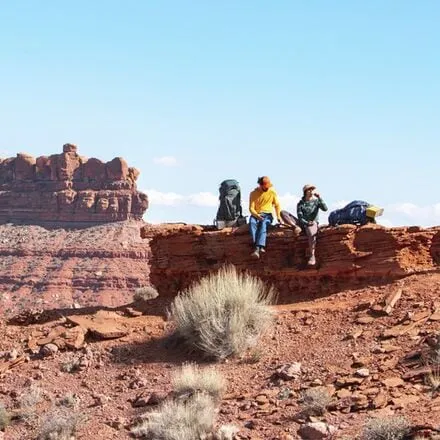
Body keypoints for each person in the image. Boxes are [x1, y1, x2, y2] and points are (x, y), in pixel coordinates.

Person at [248, 176, 283, 259]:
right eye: (265, 186)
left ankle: (258, 247)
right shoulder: (253, 193)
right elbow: (251, 208)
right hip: (256, 214)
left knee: (263, 224)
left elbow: (277, 205)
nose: (267, 188)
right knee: (252, 223)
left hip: (268, 214)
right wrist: (257, 215)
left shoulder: (272, 193)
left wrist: (278, 217)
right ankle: (257, 245)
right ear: (261, 185)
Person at [297, 184, 328, 266]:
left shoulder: (316, 201)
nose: (311, 191)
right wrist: (305, 222)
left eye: (312, 190)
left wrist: (320, 198)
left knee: (312, 233)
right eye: (309, 190)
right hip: (303, 222)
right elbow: (300, 217)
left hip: (312, 223)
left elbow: (325, 209)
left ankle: (312, 255)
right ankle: (295, 227)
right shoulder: (301, 203)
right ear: (305, 192)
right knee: (283, 213)